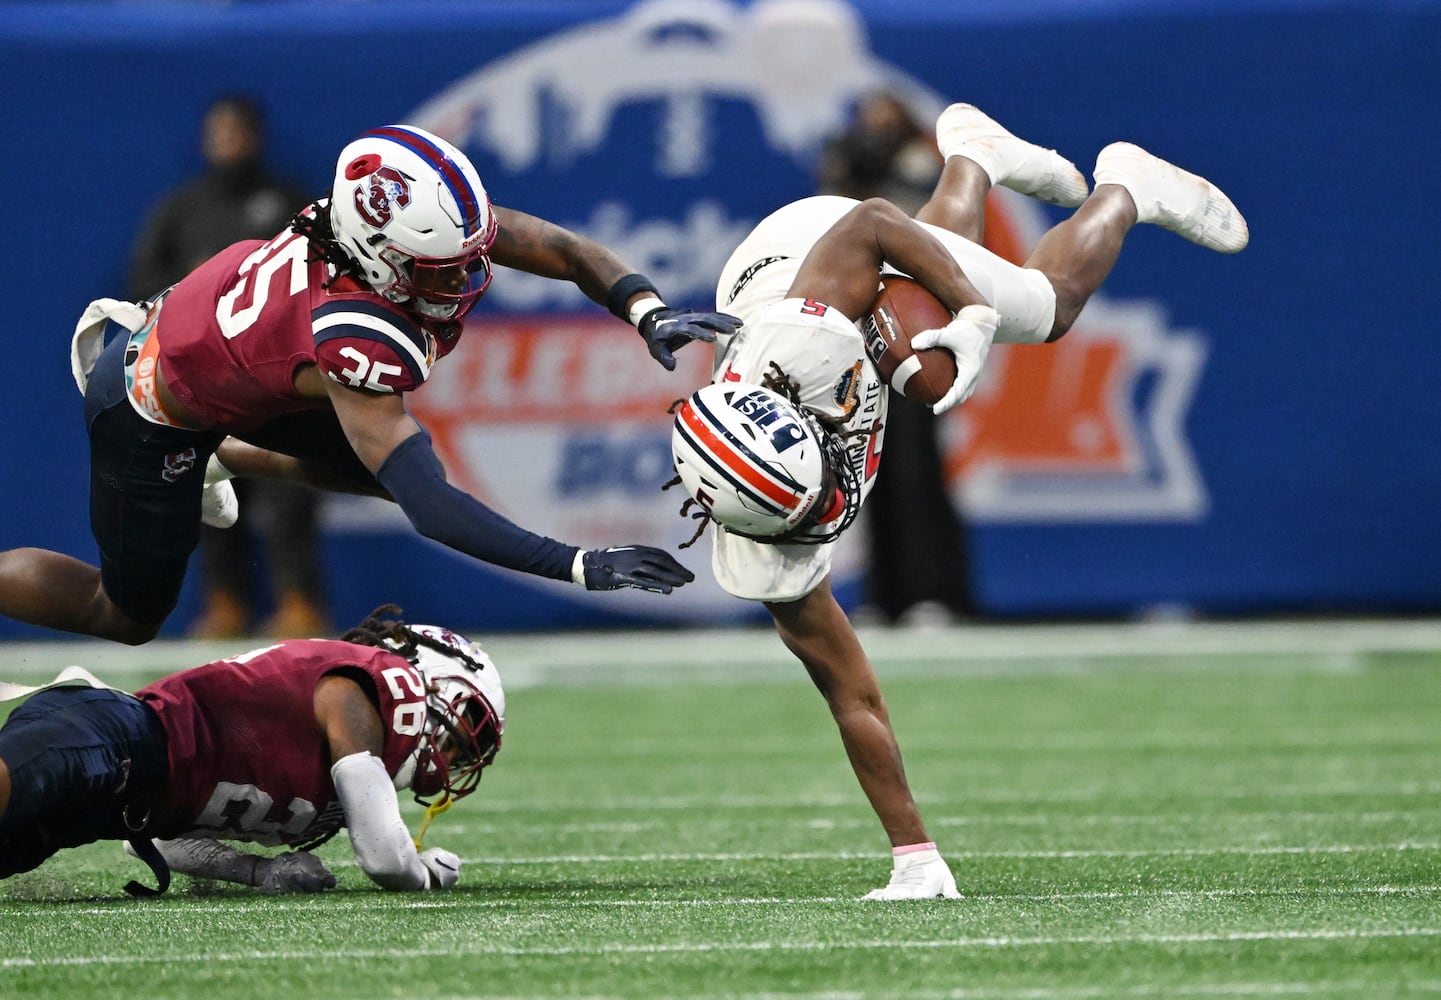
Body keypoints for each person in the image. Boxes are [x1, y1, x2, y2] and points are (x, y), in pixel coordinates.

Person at [669, 103, 1247, 899]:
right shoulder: (755, 517)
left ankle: (1124, 187)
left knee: (1041, 310)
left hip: (815, 244)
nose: (829, 510)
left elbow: (872, 223)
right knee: (928, 313)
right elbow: (850, 689)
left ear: (813, 423)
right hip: (787, 283)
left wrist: (974, 313)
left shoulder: (812, 338)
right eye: (805, 514)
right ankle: (970, 156)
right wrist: (915, 855)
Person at [0, 123, 730, 645]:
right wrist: (575, 564)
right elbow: (433, 511)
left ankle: (224, 453)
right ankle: (208, 449)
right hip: (148, 401)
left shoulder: (383, 226)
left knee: (394, 470)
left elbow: (562, 248)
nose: (467, 276)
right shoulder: (355, 333)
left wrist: (645, 307)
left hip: (217, 352)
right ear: (378, 257)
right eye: (441, 266)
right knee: (124, 617)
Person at [0, 605, 503, 895]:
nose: (449, 763)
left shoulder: (334, 779)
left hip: (117, 803)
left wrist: (257, 871)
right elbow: (385, 860)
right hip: (114, 733)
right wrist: (426, 875)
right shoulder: (361, 689)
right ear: (429, 680)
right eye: (457, 740)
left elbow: (153, 839)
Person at [127, 94, 329, 640]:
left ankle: (299, 602)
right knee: (208, 489)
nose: (227, 143)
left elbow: (323, 278)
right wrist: (193, 290)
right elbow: (142, 285)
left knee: (291, 490)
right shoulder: (182, 209)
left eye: (236, 132)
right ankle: (224, 605)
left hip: (276, 375)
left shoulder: (289, 203)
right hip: (204, 378)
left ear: (255, 136)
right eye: (218, 132)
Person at [815, 90, 973, 627]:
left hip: (915, 336)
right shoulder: (843, 172)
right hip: (858, 344)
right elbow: (831, 236)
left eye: (885, 120)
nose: (874, 131)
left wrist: (877, 174)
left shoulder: (919, 165)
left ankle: (935, 591)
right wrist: (848, 174)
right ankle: (884, 592)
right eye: (867, 120)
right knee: (863, 469)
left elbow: (915, 234)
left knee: (914, 470)